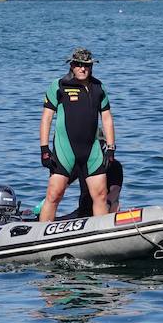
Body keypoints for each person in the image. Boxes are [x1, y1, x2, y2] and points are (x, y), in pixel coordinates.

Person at [39, 48, 116, 222]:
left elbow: (107, 118)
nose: (83, 69)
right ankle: (39, 237)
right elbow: (46, 119)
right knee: (54, 194)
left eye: (87, 66)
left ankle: (101, 237)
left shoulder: (99, 87)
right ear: (72, 65)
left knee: (100, 195)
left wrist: (111, 148)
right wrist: (44, 149)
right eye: (79, 65)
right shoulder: (58, 86)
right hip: (65, 150)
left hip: (92, 151)